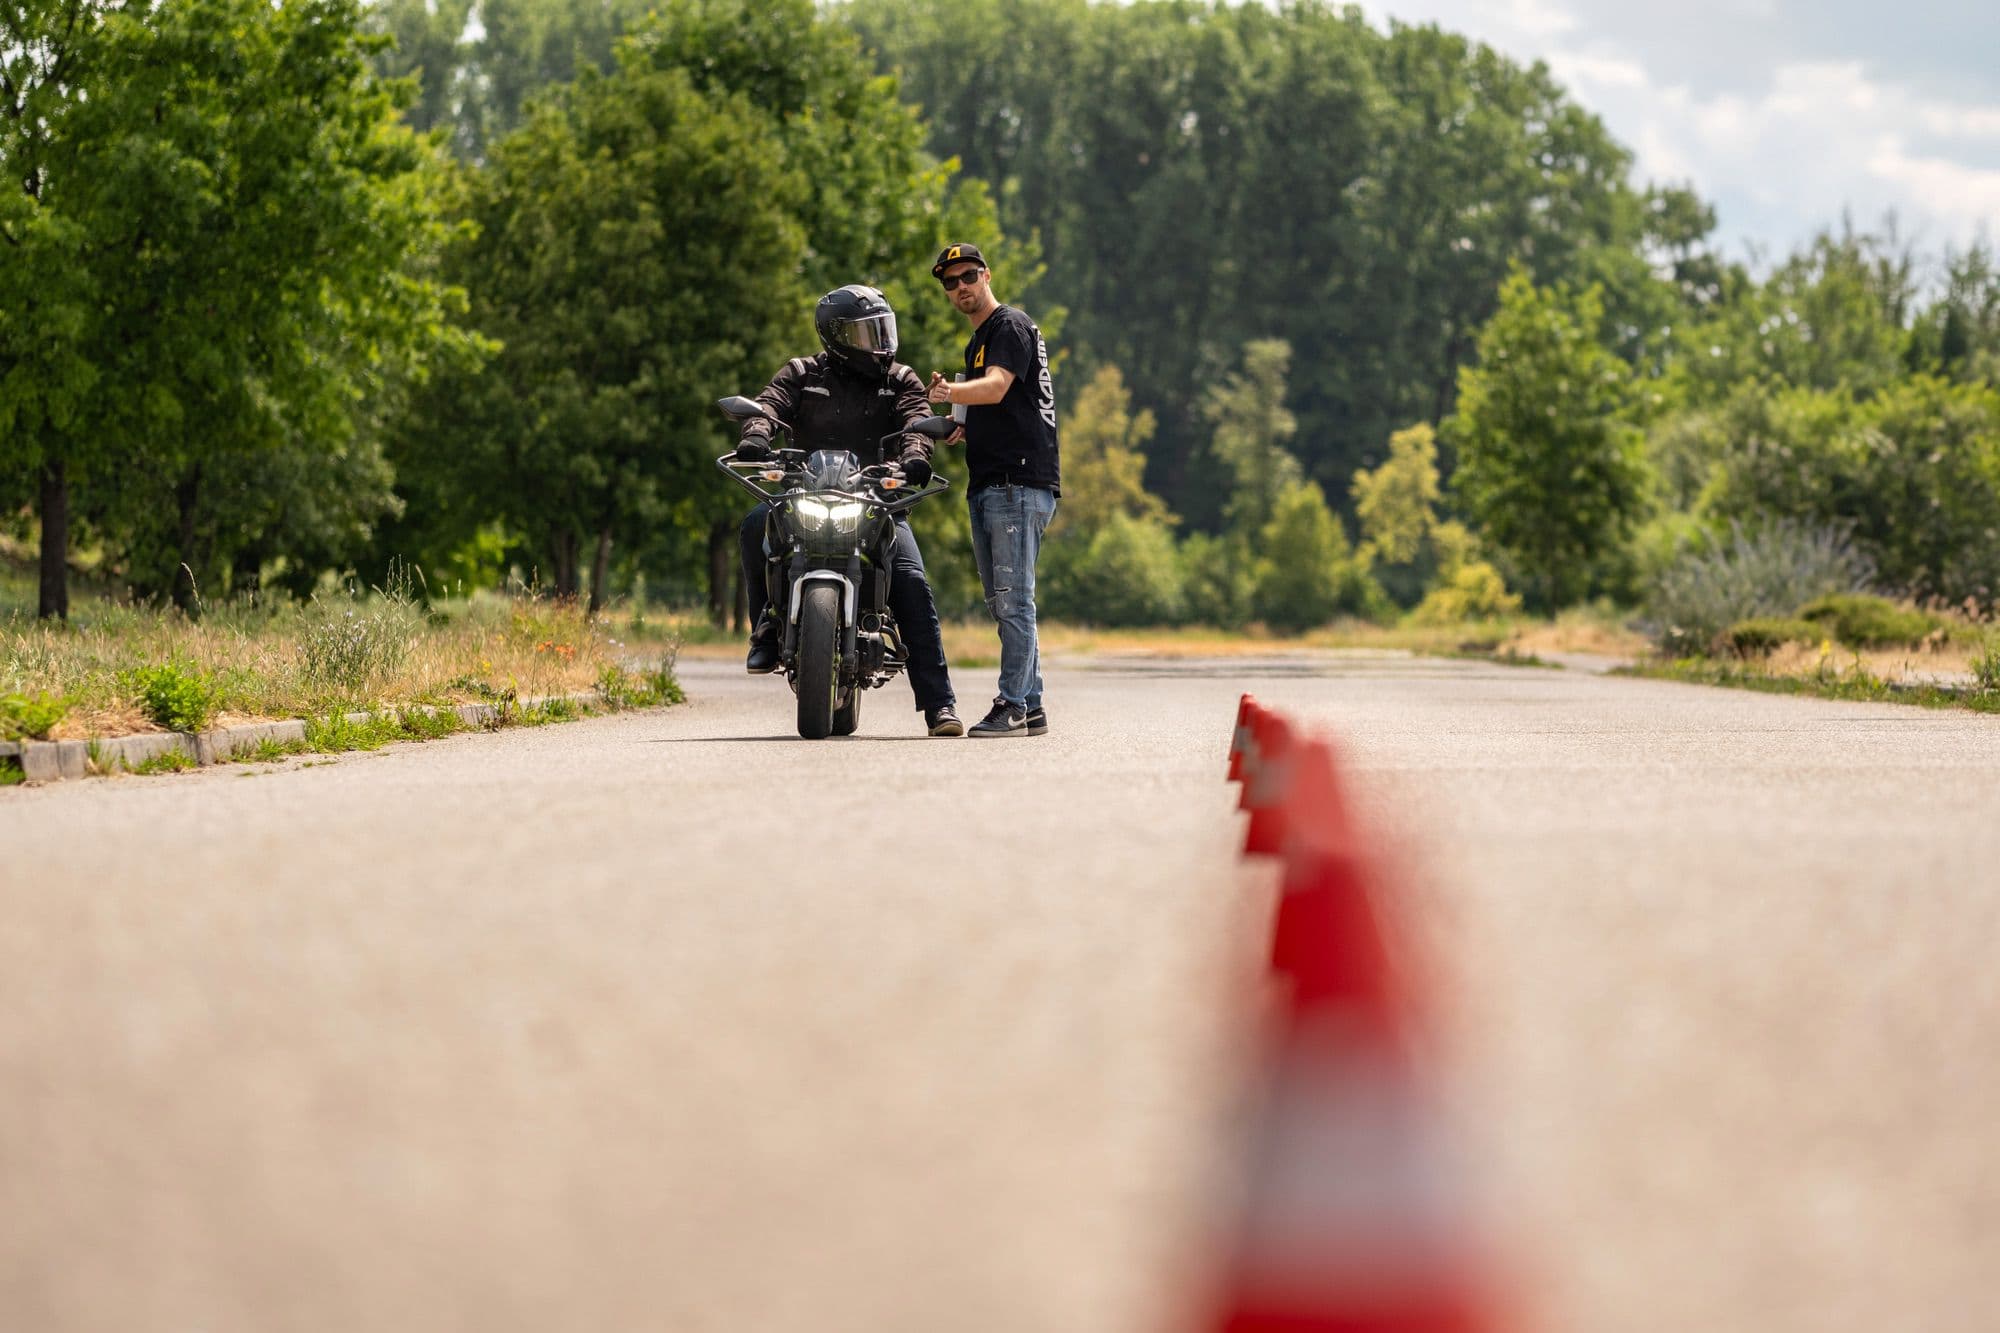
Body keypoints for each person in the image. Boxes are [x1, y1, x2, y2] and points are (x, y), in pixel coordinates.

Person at [734, 284, 964, 738]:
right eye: (866, 333)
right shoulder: (802, 372)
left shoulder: (900, 379)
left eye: (882, 330)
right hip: (804, 495)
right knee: (754, 525)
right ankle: (766, 629)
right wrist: (757, 433)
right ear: (836, 336)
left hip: (875, 501)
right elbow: (769, 404)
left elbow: (916, 420)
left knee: (911, 580)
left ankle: (940, 704)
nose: (878, 343)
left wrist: (916, 454)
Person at [925, 243, 1059, 739]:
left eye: (968, 276)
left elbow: (998, 386)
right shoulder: (980, 339)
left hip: (1016, 482)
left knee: (1013, 599)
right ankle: (1033, 704)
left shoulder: (1008, 325)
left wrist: (949, 393)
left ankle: (1013, 704)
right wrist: (962, 423)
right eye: (950, 282)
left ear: (987, 275)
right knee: (1005, 600)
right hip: (993, 480)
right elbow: (1000, 404)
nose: (960, 286)